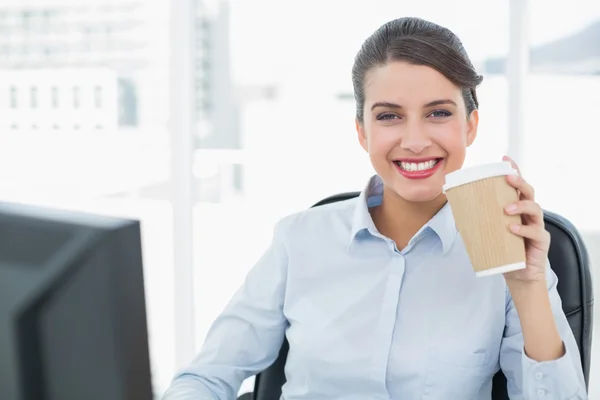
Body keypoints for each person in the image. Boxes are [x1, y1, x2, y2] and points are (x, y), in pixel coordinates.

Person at [162, 17, 587, 399]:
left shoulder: (508, 258)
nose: (415, 140)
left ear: (470, 126)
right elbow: (203, 379)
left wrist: (528, 286)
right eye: (389, 117)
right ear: (362, 132)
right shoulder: (299, 241)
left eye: (438, 113)